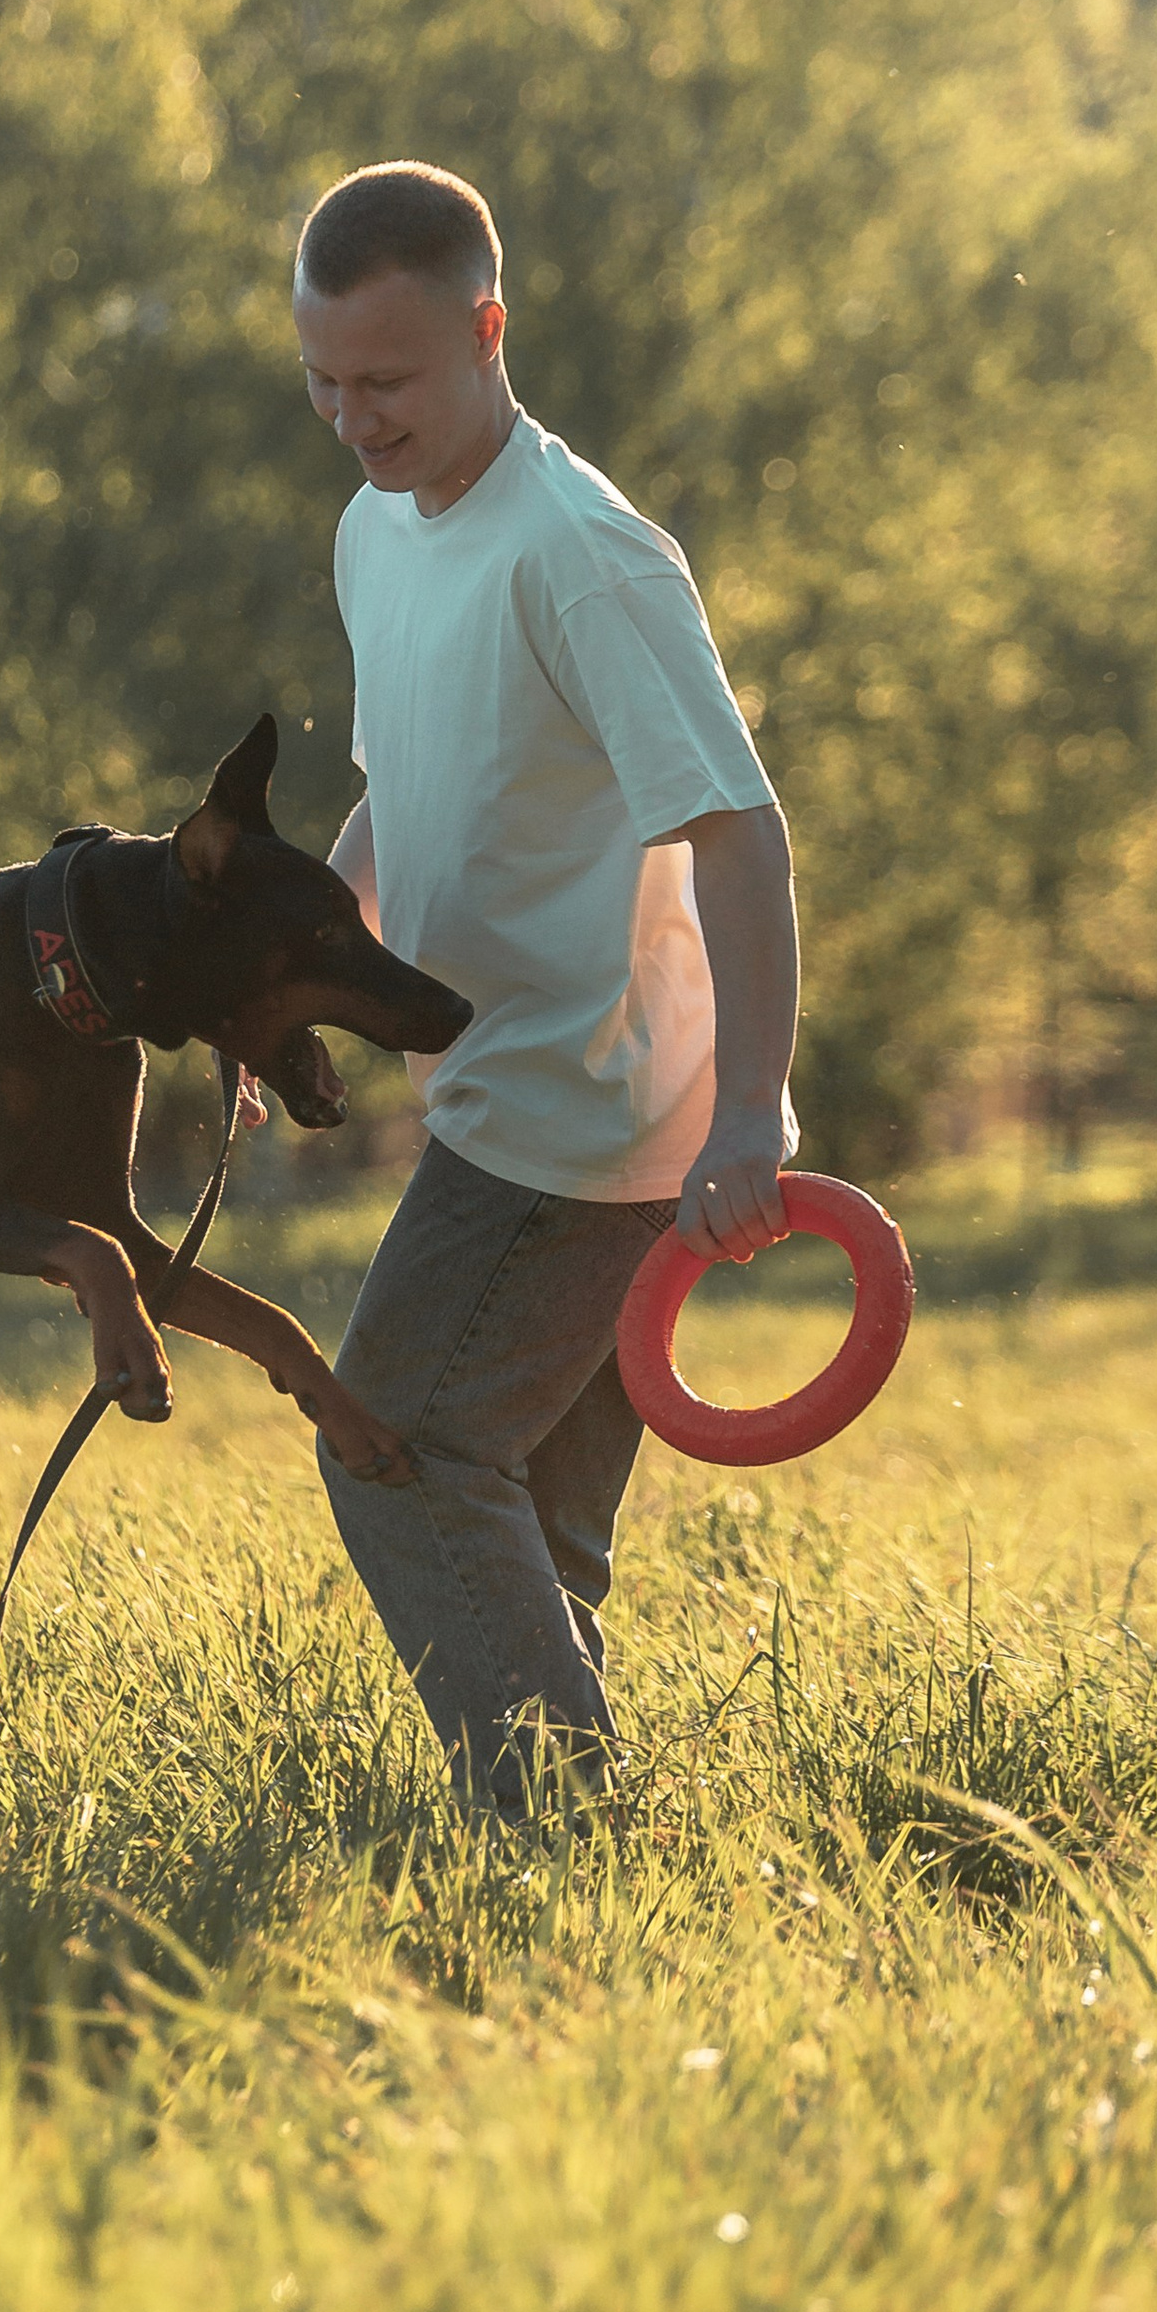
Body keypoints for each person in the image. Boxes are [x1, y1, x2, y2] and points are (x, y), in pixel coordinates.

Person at [293, 158, 799, 1816]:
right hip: (505, 1079)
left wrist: (748, 1114)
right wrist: (301, 969)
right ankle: (571, 1885)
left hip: (577, 1111)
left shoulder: (581, 555)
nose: (356, 419)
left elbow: (740, 835)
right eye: (325, 382)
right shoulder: (379, 525)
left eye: (388, 381)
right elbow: (401, 788)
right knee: (528, 1521)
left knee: (401, 1448)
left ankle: (559, 1826)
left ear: (489, 330)